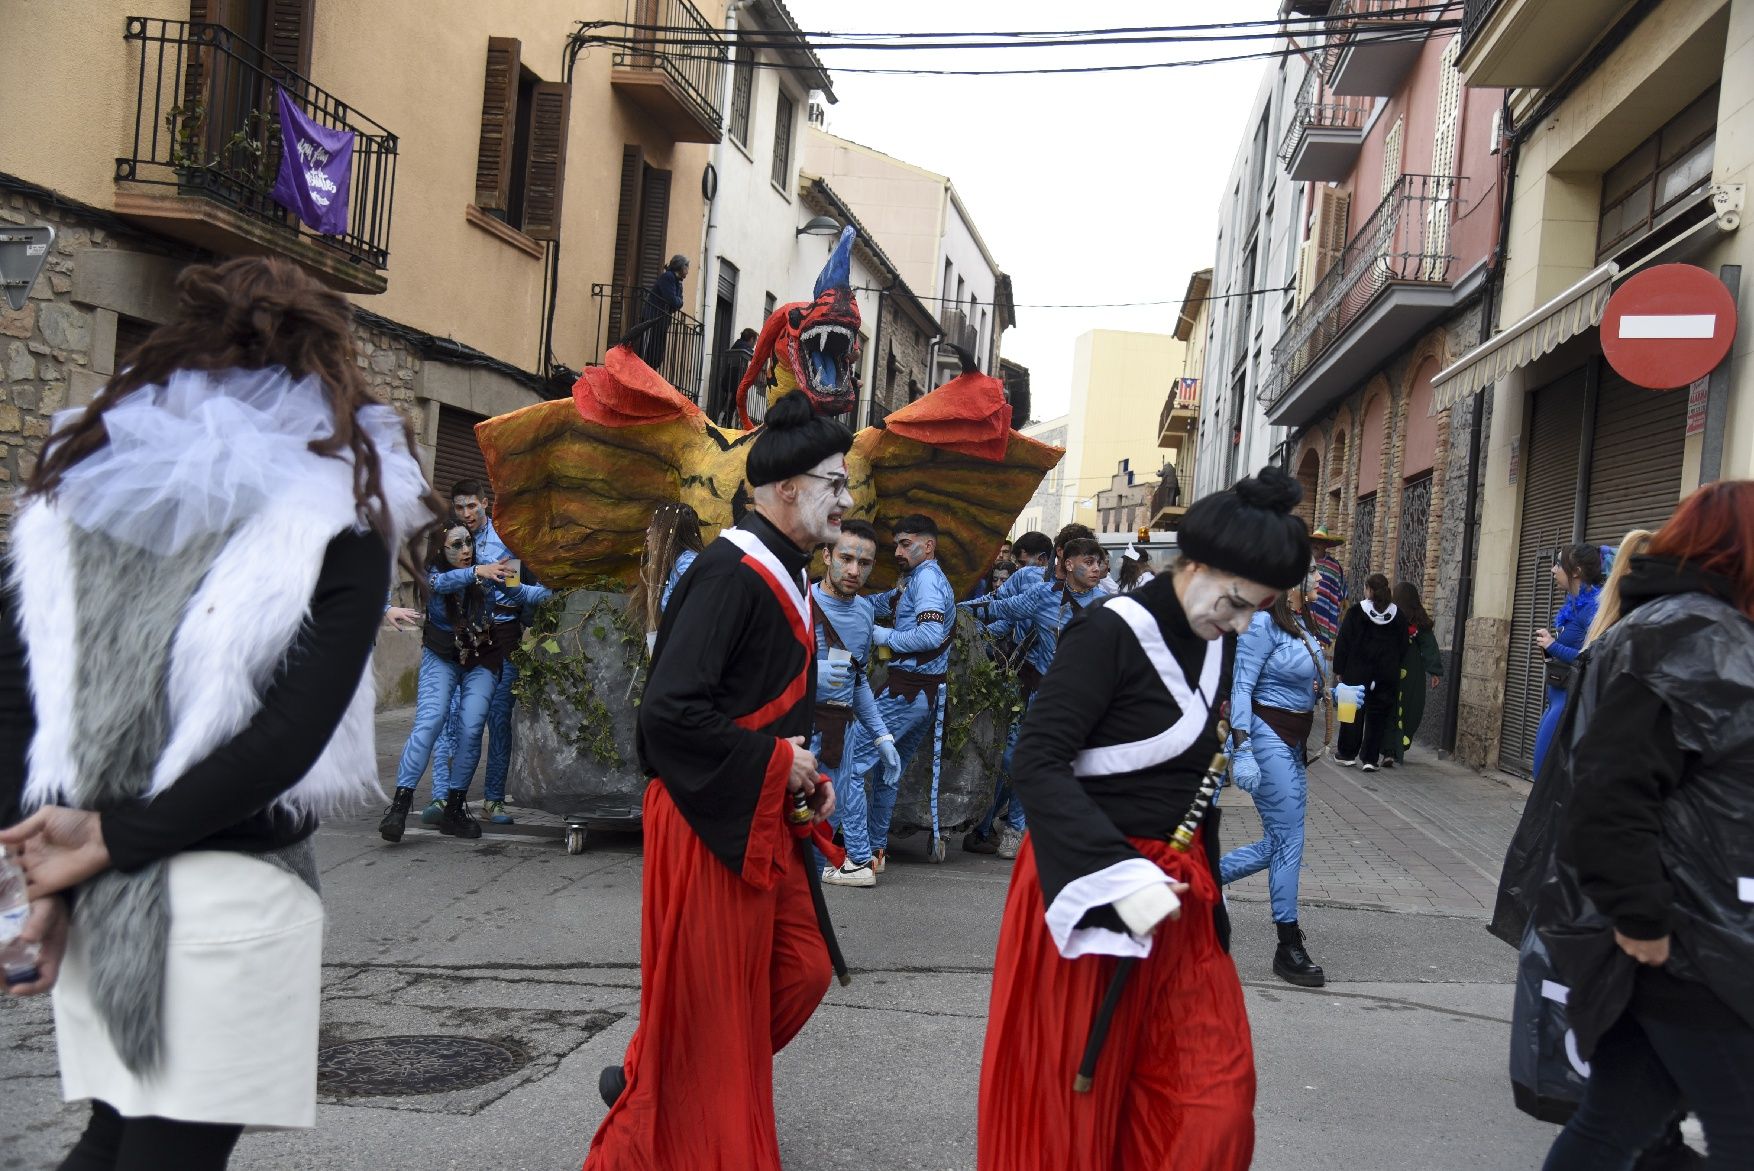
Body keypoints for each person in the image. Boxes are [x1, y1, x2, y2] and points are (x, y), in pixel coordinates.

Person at [0, 256, 431, 1168]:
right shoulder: (337, 511)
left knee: (116, 1139)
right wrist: (99, 846)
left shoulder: (83, 492)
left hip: (100, 892)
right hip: (224, 888)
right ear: (325, 365)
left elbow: (18, 697)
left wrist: (37, 881)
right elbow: (285, 738)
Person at [978, 466, 1311, 1171]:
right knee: (1071, 1124)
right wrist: (1118, 876)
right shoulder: (1108, 634)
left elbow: (1198, 786)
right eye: (1237, 600)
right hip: (1090, 890)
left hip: (1181, 905)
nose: (1242, 621)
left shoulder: (1219, 639)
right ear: (1195, 563)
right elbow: (1036, 762)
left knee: (1211, 1114)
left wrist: (1214, 919)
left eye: (1258, 608)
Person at [585, 390, 851, 1170]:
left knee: (800, 969)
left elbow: (760, 707)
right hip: (708, 819)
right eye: (834, 482)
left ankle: (657, 1071)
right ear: (787, 489)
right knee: (717, 1002)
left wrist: (804, 776)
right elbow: (667, 718)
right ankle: (664, 1096)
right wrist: (777, 763)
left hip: (760, 810)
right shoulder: (731, 573)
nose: (846, 498)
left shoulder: (786, 573)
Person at [1536, 482, 1754, 1170]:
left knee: (1617, 1128)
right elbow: (1609, 792)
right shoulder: (1691, 637)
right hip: (1692, 943)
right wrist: (1644, 921)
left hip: (1692, 935)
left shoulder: (1691, 630)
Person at [381, 521, 536, 842]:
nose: (465, 549)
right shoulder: (436, 574)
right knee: (431, 721)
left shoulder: (490, 569)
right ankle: (399, 805)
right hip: (442, 654)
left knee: (471, 728)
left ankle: (454, 807)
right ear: (441, 549)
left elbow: (524, 592)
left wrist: (562, 592)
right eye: (456, 545)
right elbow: (440, 584)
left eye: (468, 542)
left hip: (483, 656)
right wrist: (478, 571)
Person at [966, 535, 1110, 858]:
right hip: (1036, 694)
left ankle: (1037, 830)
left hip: (1081, 704)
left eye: (1099, 563)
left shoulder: (1108, 607)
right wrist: (949, 611)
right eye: (1089, 562)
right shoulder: (1042, 595)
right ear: (1068, 564)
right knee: (1013, 759)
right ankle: (1015, 828)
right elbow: (998, 608)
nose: (1096, 568)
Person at [427, 480, 554, 826]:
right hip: (457, 639)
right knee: (450, 718)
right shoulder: (446, 541)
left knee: (498, 721)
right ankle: (442, 795)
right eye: (459, 507)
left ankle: (494, 800)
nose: (466, 513)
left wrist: (534, 591)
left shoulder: (504, 543)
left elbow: (514, 593)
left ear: (486, 503)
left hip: (501, 636)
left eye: (472, 506)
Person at [1220, 585, 1327, 987]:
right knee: (1289, 840)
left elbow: (1307, 678)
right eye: (1311, 572)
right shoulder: (1262, 622)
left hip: (1294, 739)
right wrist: (1243, 747)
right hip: (1266, 736)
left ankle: (1205, 876)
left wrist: (1331, 691)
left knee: (1284, 841)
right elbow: (1242, 686)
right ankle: (1287, 944)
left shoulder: (1300, 623)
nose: (1320, 578)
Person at [838, 515, 956, 872]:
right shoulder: (917, 580)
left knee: (853, 764)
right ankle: (875, 850)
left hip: (906, 693)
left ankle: (858, 856)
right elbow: (885, 603)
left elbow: (930, 636)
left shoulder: (929, 581)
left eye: (906, 544)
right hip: (922, 696)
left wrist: (880, 636)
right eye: (897, 545)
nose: (899, 551)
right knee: (890, 771)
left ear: (928, 545)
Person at [811, 519, 903, 888]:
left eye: (864, 563)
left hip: (841, 734)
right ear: (826, 555)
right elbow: (756, 670)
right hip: (796, 735)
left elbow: (858, 677)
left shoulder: (865, 612)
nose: (854, 570)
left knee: (822, 835)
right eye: (846, 558)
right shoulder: (800, 602)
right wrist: (806, 675)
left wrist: (881, 736)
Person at [1531, 543, 1604, 779]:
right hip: (1556, 699)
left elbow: (1594, 657)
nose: (1553, 569)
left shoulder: (1593, 608)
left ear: (1576, 571)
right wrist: (1551, 651)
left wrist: (1553, 645)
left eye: (1559, 564)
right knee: (1541, 772)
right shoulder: (1573, 605)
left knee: (1544, 773)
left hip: (1569, 704)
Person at [1332, 572, 1406, 771]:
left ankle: (1347, 753)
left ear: (1369, 590)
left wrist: (1339, 669)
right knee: (1378, 717)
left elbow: (1343, 642)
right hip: (1385, 675)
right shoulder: (1397, 616)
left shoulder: (1357, 612)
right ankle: (1370, 758)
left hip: (1355, 671)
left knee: (1350, 713)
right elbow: (1403, 646)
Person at [629, 502, 706, 654]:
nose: (648, 531)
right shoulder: (674, 563)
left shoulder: (687, 566)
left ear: (670, 531)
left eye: (655, 526)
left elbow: (693, 623)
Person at [1388, 581, 1442, 767]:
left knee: (1402, 706)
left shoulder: (1413, 621)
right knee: (1407, 705)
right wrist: (1434, 672)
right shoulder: (1392, 617)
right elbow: (1430, 647)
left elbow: (1429, 646)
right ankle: (1395, 744)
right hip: (1410, 671)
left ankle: (1394, 744)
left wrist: (1435, 671)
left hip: (1400, 669)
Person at [636, 254, 689, 371]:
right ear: (680, 267)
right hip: (652, 319)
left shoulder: (678, 283)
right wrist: (676, 302)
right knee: (648, 351)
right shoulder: (668, 277)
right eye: (686, 267)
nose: (687, 271)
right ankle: (644, 372)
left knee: (657, 353)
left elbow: (678, 303)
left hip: (662, 321)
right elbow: (672, 300)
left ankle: (649, 372)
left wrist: (677, 302)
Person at [1305, 526, 1346, 652]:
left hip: (1325, 614)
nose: (1316, 545)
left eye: (1320, 542)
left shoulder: (1334, 566)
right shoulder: (1303, 562)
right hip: (1304, 612)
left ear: (1326, 546)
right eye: (1313, 542)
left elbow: (1342, 594)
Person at [712, 327, 758, 428]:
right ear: (751, 339)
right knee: (730, 402)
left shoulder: (738, 345)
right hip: (733, 380)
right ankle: (723, 422)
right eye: (755, 341)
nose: (755, 345)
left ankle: (725, 422)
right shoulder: (743, 347)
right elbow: (753, 356)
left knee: (730, 402)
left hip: (731, 379)